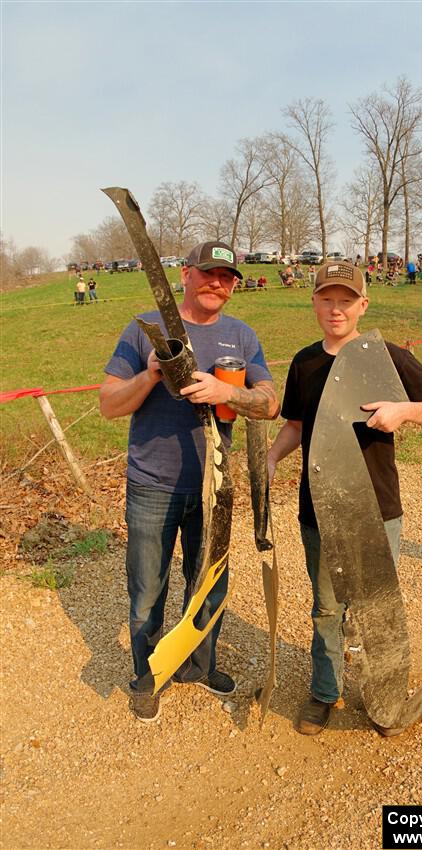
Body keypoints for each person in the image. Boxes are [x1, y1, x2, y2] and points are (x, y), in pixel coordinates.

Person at [267, 262, 422, 736]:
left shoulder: (386, 356)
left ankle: (387, 698)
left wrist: (405, 410)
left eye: (346, 300)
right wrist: (272, 460)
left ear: (363, 305)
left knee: (376, 607)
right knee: (327, 607)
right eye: (327, 299)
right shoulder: (303, 362)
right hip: (319, 506)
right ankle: (323, 692)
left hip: (376, 506)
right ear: (314, 302)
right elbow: (295, 425)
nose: (336, 309)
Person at [99, 241, 280, 722]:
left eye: (227, 276)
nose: (217, 283)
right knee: (146, 593)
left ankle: (197, 667)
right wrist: (152, 375)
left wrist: (227, 392)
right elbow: (108, 404)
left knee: (209, 586)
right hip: (151, 482)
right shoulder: (146, 332)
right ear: (185, 275)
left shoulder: (241, 336)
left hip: (213, 487)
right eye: (207, 273)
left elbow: (270, 403)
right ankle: (148, 675)